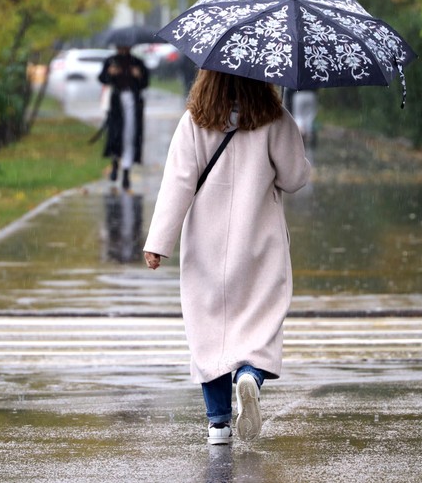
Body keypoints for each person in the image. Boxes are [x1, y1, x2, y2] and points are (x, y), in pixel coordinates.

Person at [143, 69, 310, 445]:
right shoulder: (274, 119)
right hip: (259, 242)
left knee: (210, 332)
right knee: (259, 322)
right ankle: (250, 375)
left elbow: (178, 182)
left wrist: (158, 243)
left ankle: (218, 423)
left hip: (207, 244)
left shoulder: (195, 121)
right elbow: (294, 178)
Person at [98, 44, 150, 191]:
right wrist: (110, 73)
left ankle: (126, 171)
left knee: (129, 136)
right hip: (116, 105)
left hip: (133, 104)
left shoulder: (137, 62)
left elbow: (145, 83)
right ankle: (115, 164)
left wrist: (138, 75)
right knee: (115, 136)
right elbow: (103, 78)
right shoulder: (111, 61)